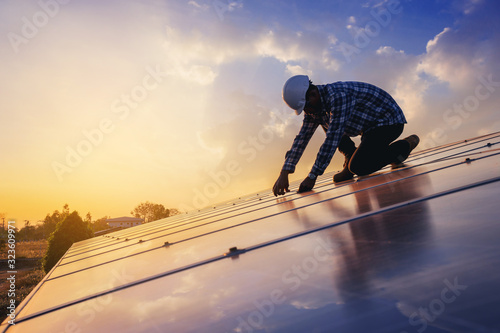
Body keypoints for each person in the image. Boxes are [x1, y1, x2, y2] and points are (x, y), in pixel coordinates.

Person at [272, 75, 419, 196]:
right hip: (368, 128)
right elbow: (302, 138)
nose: (307, 112)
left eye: (306, 107)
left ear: (313, 94)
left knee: (359, 167)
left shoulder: (338, 97)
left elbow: (332, 139)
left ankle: (404, 146)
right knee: (325, 120)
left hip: (388, 123)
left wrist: (312, 176)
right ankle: (350, 156)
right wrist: (285, 171)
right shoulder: (314, 108)